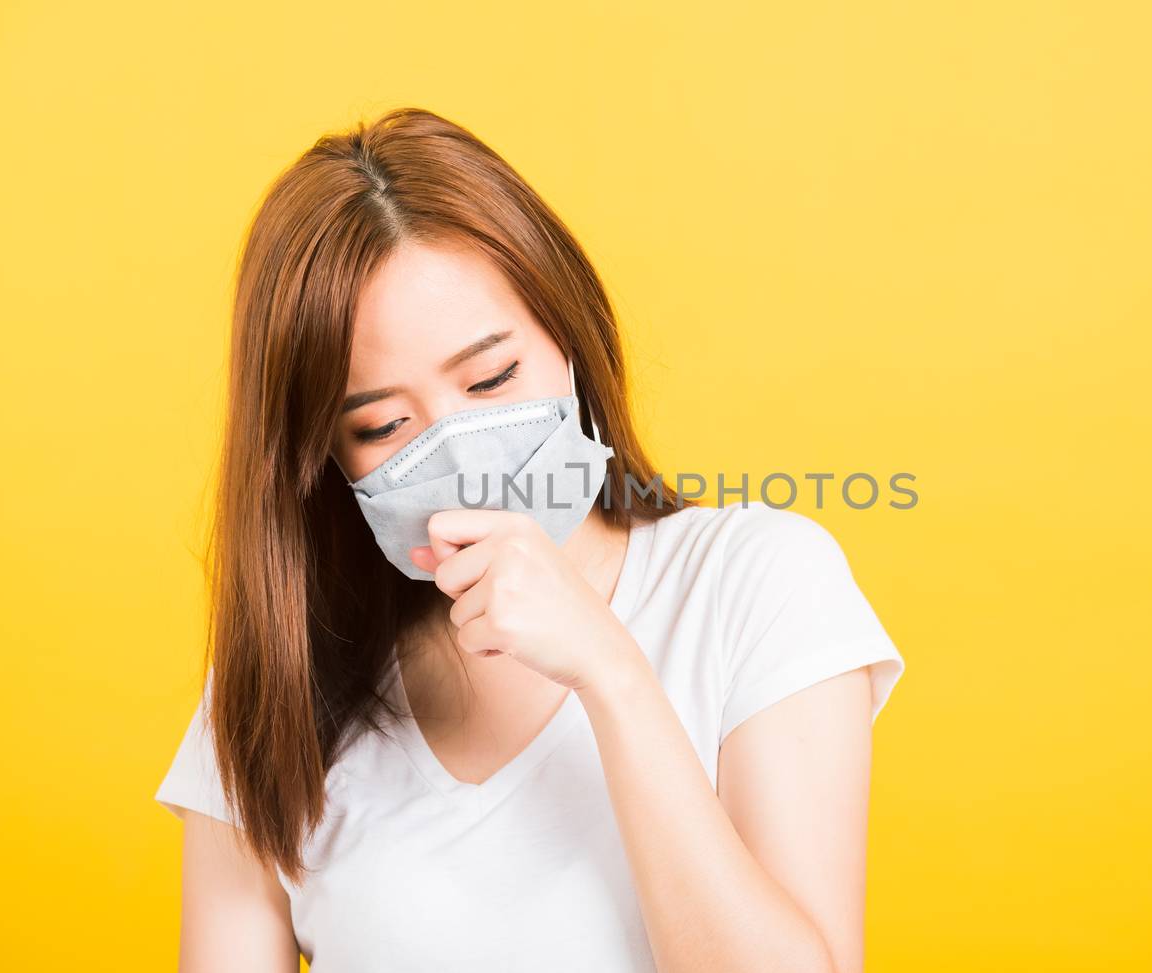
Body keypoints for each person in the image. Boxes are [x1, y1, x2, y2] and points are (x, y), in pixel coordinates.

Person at [153, 107, 905, 973]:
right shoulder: (278, 683)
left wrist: (611, 670)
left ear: (569, 334)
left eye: (492, 377)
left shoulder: (759, 582)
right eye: (386, 424)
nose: (459, 448)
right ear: (324, 458)